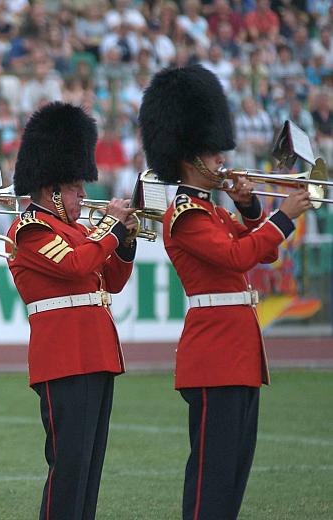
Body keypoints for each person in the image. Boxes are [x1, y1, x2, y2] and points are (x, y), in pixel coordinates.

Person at [138, 64, 313, 520]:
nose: (222, 160)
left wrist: (251, 205)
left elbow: (264, 255)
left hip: (236, 351)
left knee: (234, 470)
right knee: (212, 474)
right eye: (213, 154)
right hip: (214, 355)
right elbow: (238, 258)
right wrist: (284, 216)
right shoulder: (185, 216)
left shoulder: (212, 212)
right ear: (188, 157)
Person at [5, 102, 137, 520]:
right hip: (64, 358)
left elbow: (109, 281)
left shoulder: (79, 230)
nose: (85, 194)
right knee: (69, 467)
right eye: (77, 188)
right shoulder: (31, 229)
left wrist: (126, 242)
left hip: (95, 353)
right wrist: (110, 229)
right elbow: (76, 265)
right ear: (51, 192)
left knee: (90, 469)